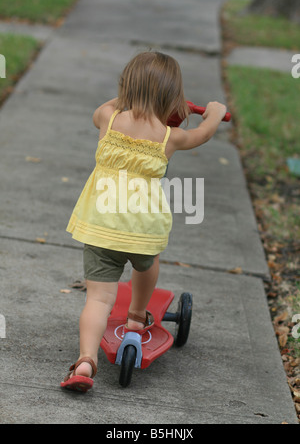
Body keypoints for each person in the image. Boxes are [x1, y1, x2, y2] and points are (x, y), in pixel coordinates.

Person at [61, 51, 226, 392]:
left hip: (102, 225)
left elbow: (101, 109)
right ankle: (137, 316)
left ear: (125, 88)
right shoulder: (170, 137)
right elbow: (204, 134)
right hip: (142, 230)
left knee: (99, 300)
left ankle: (86, 361)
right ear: (171, 99)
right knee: (147, 264)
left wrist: (125, 97)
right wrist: (214, 112)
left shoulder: (108, 117)